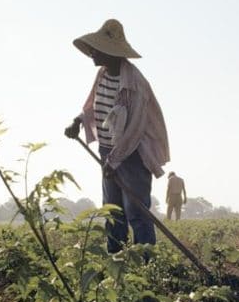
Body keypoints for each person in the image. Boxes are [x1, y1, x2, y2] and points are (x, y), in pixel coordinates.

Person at [63, 18, 170, 254]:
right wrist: (78, 121)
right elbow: (93, 106)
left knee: (136, 211)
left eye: (96, 49)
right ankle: (116, 260)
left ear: (110, 52)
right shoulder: (103, 74)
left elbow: (135, 130)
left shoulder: (135, 84)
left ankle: (146, 264)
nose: (91, 53)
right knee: (112, 210)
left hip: (132, 155)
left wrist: (115, 161)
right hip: (108, 151)